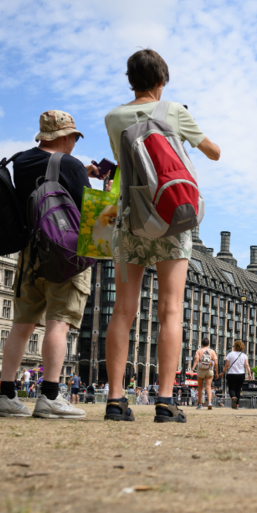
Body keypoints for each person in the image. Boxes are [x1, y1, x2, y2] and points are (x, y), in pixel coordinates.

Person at [101, 49, 221, 424]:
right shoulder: (173, 111)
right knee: (170, 309)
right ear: (162, 81)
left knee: (123, 310)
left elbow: (125, 163)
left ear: (130, 80)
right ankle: (166, 401)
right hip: (171, 219)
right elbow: (215, 153)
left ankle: (116, 401)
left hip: (132, 217)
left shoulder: (113, 117)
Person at [0, 110, 103, 420]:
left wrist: (81, 170)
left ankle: (6, 395)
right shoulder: (69, 164)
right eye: (74, 139)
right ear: (66, 137)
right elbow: (91, 214)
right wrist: (105, 188)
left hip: (30, 254)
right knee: (59, 321)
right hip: (65, 254)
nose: (74, 144)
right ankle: (51, 396)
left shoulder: (20, 161)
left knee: (22, 324)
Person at [224, 340, 252, 409]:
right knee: (238, 389)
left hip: (231, 374)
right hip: (241, 374)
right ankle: (237, 405)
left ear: (235, 347)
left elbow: (227, 364)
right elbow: (247, 365)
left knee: (231, 389)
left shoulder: (230, 354)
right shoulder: (244, 355)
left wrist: (223, 371)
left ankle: (233, 397)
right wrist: (249, 374)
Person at [191, 339, 219, 410]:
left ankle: (200, 404)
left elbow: (196, 360)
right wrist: (217, 372)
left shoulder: (199, 351)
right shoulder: (212, 351)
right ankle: (209, 402)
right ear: (208, 344)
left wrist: (192, 369)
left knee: (200, 387)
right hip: (209, 370)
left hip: (201, 370)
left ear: (202, 344)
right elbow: (215, 363)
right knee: (208, 387)